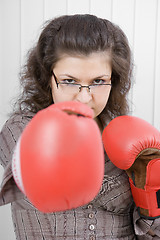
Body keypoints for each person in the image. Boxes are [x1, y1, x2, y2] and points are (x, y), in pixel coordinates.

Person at [0, 14, 159, 239]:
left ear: (114, 80)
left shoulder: (126, 138)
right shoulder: (22, 129)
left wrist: (151, 197)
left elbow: (151, 234)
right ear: (48, 77)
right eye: (69, 81)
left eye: (98, 81)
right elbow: (45, 181)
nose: (84, 99)